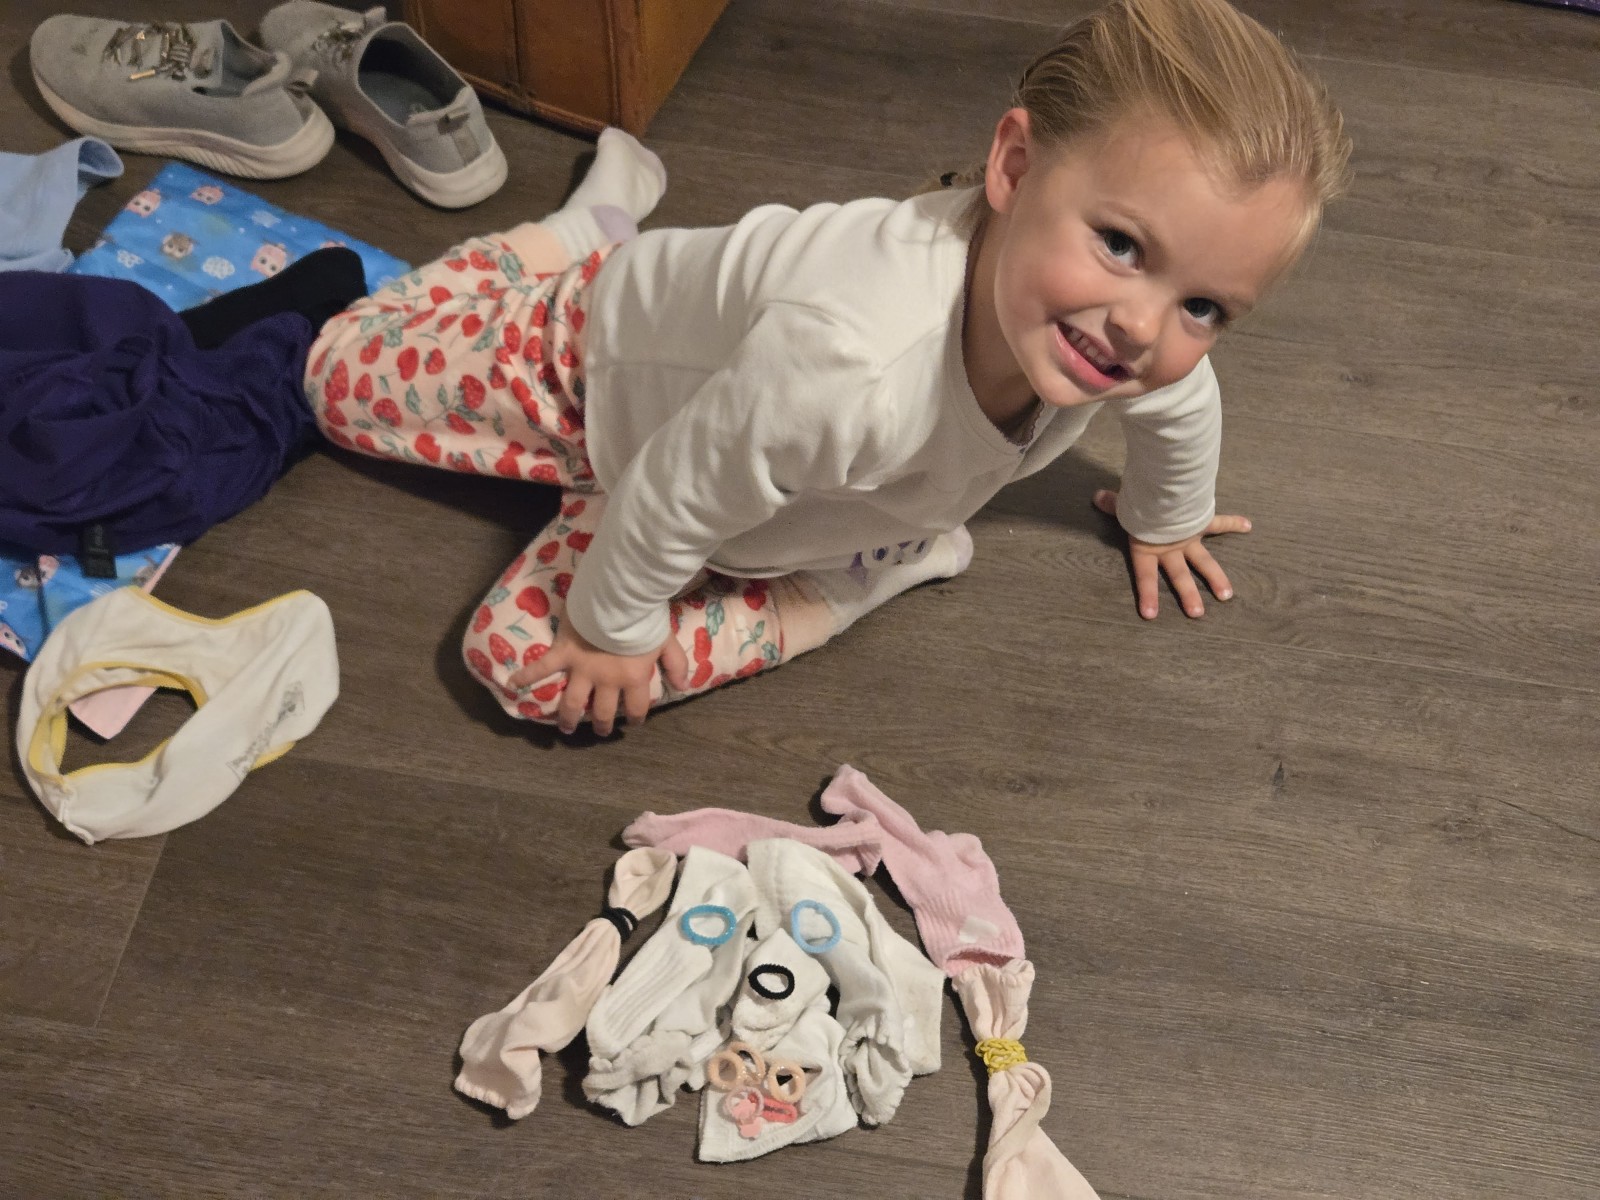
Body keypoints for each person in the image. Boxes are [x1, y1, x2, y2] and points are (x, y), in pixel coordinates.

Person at [303, 0, 1352, 737]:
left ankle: (863, 570)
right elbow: (674, 489)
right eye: (1120, 244)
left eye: (1204, 306)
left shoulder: (1126, 343)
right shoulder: (849, 359)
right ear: (1014, 165)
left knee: (533, 673)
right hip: (587, 363)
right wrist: (612, 630)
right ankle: (581, 234)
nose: (1141, 328)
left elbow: (1182, 398)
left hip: (742, 473)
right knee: (333, 378)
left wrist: (1166, 517)